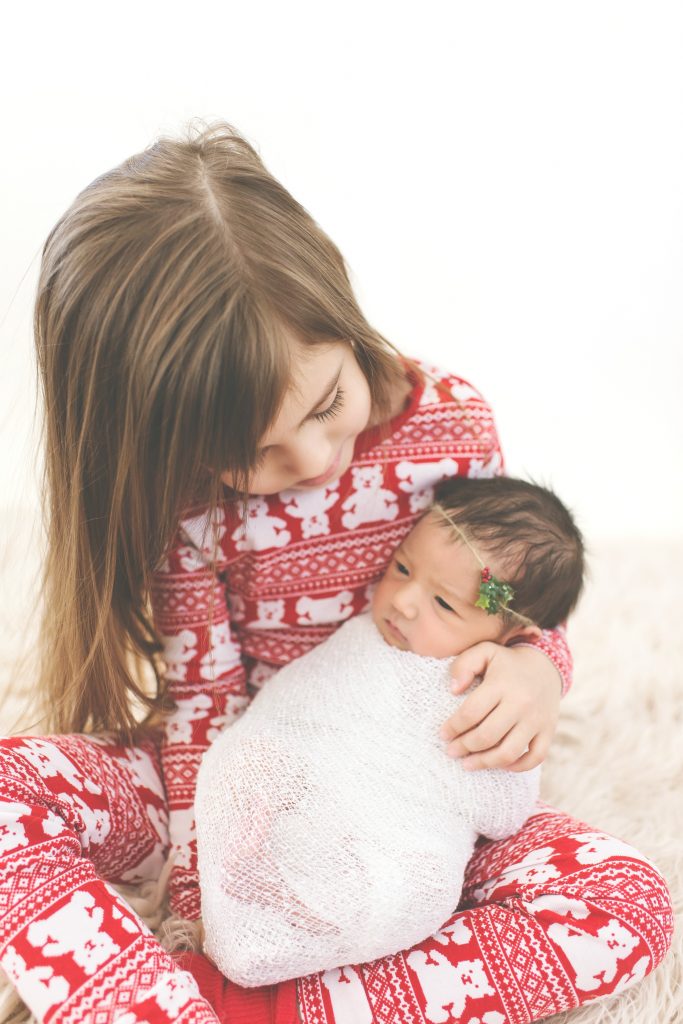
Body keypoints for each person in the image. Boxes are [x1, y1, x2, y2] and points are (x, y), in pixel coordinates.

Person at [0, 122, 672, 1024]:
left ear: (341, 312)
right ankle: (161, 1002)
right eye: (252, 456)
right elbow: (206, 702)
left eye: (326, 405)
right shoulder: (186, 501)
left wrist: (535, 664)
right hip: (238, 775)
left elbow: (508, 592)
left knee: (624, 903)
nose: (315, 459)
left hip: (417, 792)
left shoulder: (453, 431)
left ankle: (285, 1006)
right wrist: (204, 896)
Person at [195, 477, 584, 987]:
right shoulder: (360, 636)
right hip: (306, 802)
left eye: (444, 605)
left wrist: (535, 679)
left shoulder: (485, 692)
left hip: (384, 846)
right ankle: (254, 918)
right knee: (249, 761)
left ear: (513, 638)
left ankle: (309, 961)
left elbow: (505, 809)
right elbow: (293, 708)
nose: (403, 602)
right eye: (401, 568)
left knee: (418, 888)